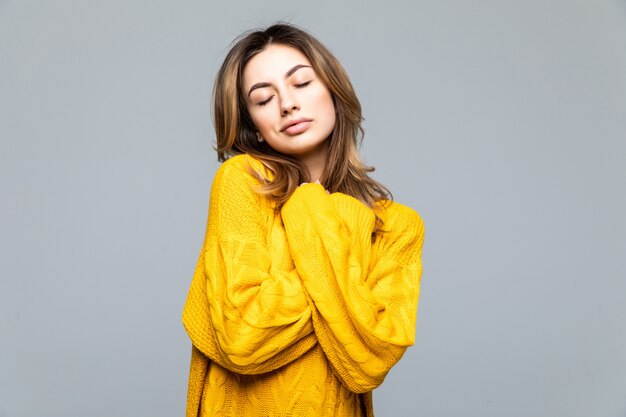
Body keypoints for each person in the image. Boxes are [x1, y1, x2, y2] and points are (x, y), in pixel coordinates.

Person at [182, 23, 425, 417]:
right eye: (263, 99)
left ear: (332, 90)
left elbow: (372, 357)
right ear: (253, 127)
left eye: (301, 83)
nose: (287, 104)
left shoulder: (396, 227)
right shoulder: (244, 184)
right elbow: (243, 334)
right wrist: (343, 270)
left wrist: (323, 223)